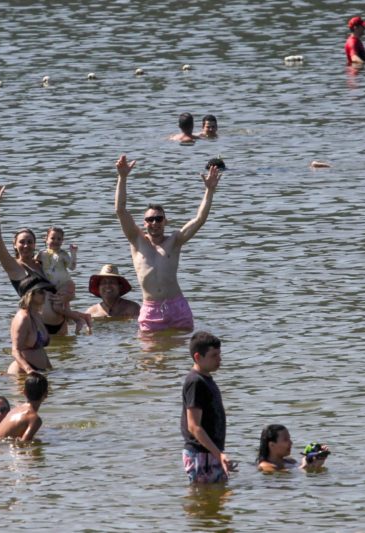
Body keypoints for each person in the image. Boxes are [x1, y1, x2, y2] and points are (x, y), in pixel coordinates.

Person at [114, 154, 221, 333]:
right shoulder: (136, 240)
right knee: (148, 350)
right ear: (144, 223)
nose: (154, 222)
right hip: (151, 309)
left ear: (165, 221)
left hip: (177, 307)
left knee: (182, 349)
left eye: (159, 218)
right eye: (150, 219)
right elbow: (120, 210)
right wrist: (122, 177)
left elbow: (199, 219)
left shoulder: (175, 241)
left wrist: (209, 191)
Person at [0, 184, 91, 335]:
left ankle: (79, 319)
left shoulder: (43, 263)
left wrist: (69, 296)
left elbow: (64, 284)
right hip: (38, 326)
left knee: (66, 350)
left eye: (30, 242)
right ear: (15, 245)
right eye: (22, 242)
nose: (26, 245)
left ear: (35, 244)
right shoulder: (13, 267)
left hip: (61, 325)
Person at [181, 332, 234, 484]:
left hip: (210, 452)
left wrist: (218, 453)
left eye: (219, 354)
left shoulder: (206, 379)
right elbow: (193, 426)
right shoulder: (195, 382)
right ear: (198, 357)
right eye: (214, 355)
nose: (219, 359)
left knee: (216, 494)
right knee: (202, 496)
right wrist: (219, 455)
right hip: (200, 454)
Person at [8, 276, 56, 374]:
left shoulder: (37, 315)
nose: (45, 294)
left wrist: (50, 369)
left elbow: (41, 349)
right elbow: (15, 351)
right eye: (41, 292)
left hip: (40, 371)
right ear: (30, 294)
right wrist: (29, 370)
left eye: (45, 291)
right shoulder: (23, 317)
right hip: (23, 372)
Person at [0, 373, 48, 442]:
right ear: (46, 394)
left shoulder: (15, 410)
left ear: (24, 392)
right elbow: (24, 443)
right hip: (1, 447)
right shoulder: (34, 419)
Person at [256, 425, 330, 472]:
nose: (291, 442)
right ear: (272, 445)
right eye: (286, 439)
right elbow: (284, 478)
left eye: (289, 438)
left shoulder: (290, 461)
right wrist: (304, 466)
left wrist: (316, 459)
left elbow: (303, 469)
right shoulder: (265, 467)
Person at [38, 226, 77, 300]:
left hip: (63, 285)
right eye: (52, 238)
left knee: (60, 303)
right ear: (46, 239)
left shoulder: (63, 254)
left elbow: (72, 267)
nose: (56, 241)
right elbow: (35, 265)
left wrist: (73, 253)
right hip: (48, 286)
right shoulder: (41, 254)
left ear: (62, 241)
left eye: (59, 239)